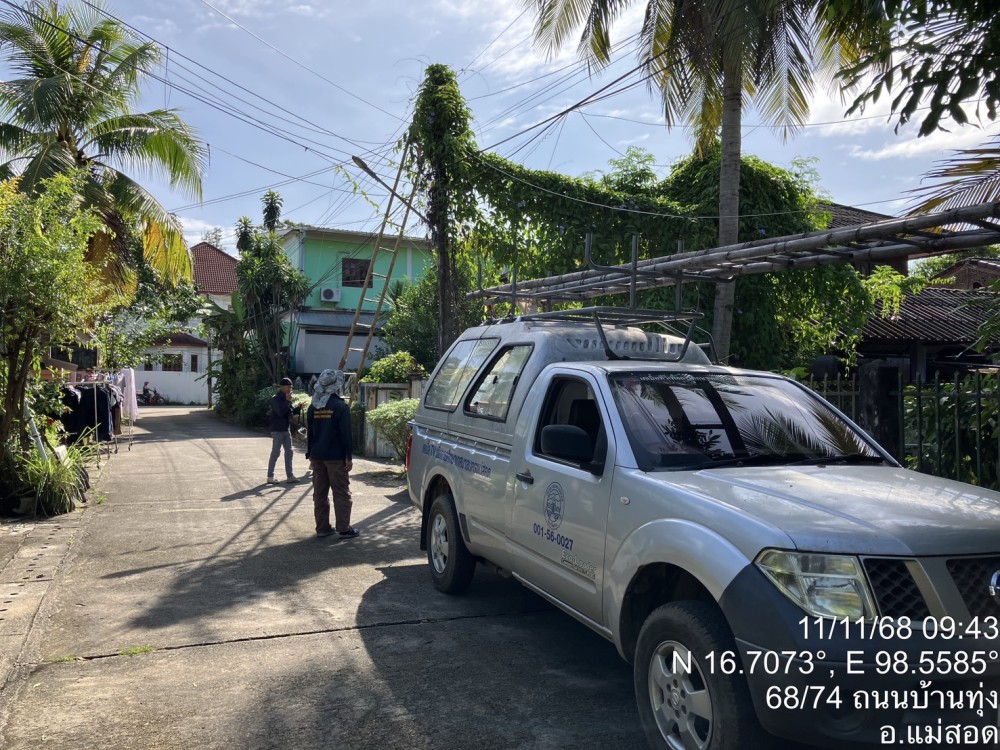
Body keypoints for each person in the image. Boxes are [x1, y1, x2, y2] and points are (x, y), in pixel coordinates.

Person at [306, 369, 356, 538]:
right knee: (341, 492)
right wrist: (348, 456)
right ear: (336, 386)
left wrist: (310, 454)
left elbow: (310, 434)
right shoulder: (340, 406)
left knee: (319, 493)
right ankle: (344, 528)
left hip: (317, 456)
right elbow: (346, 434)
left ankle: (323, 528)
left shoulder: (313, 406)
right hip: (336, 457)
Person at [267, 377, 302, 484]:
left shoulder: (287, 398)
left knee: (289, 452)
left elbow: (290, 412)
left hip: (286, 429)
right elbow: (280, 412)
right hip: (277, 430)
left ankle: (290, 476)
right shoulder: (276, 398)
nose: (290, 389)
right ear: (281, 387)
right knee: (276, 452)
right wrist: (287, 401)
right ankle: (270, 476)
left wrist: (298, 408)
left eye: (291, 387)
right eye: (288, 387)